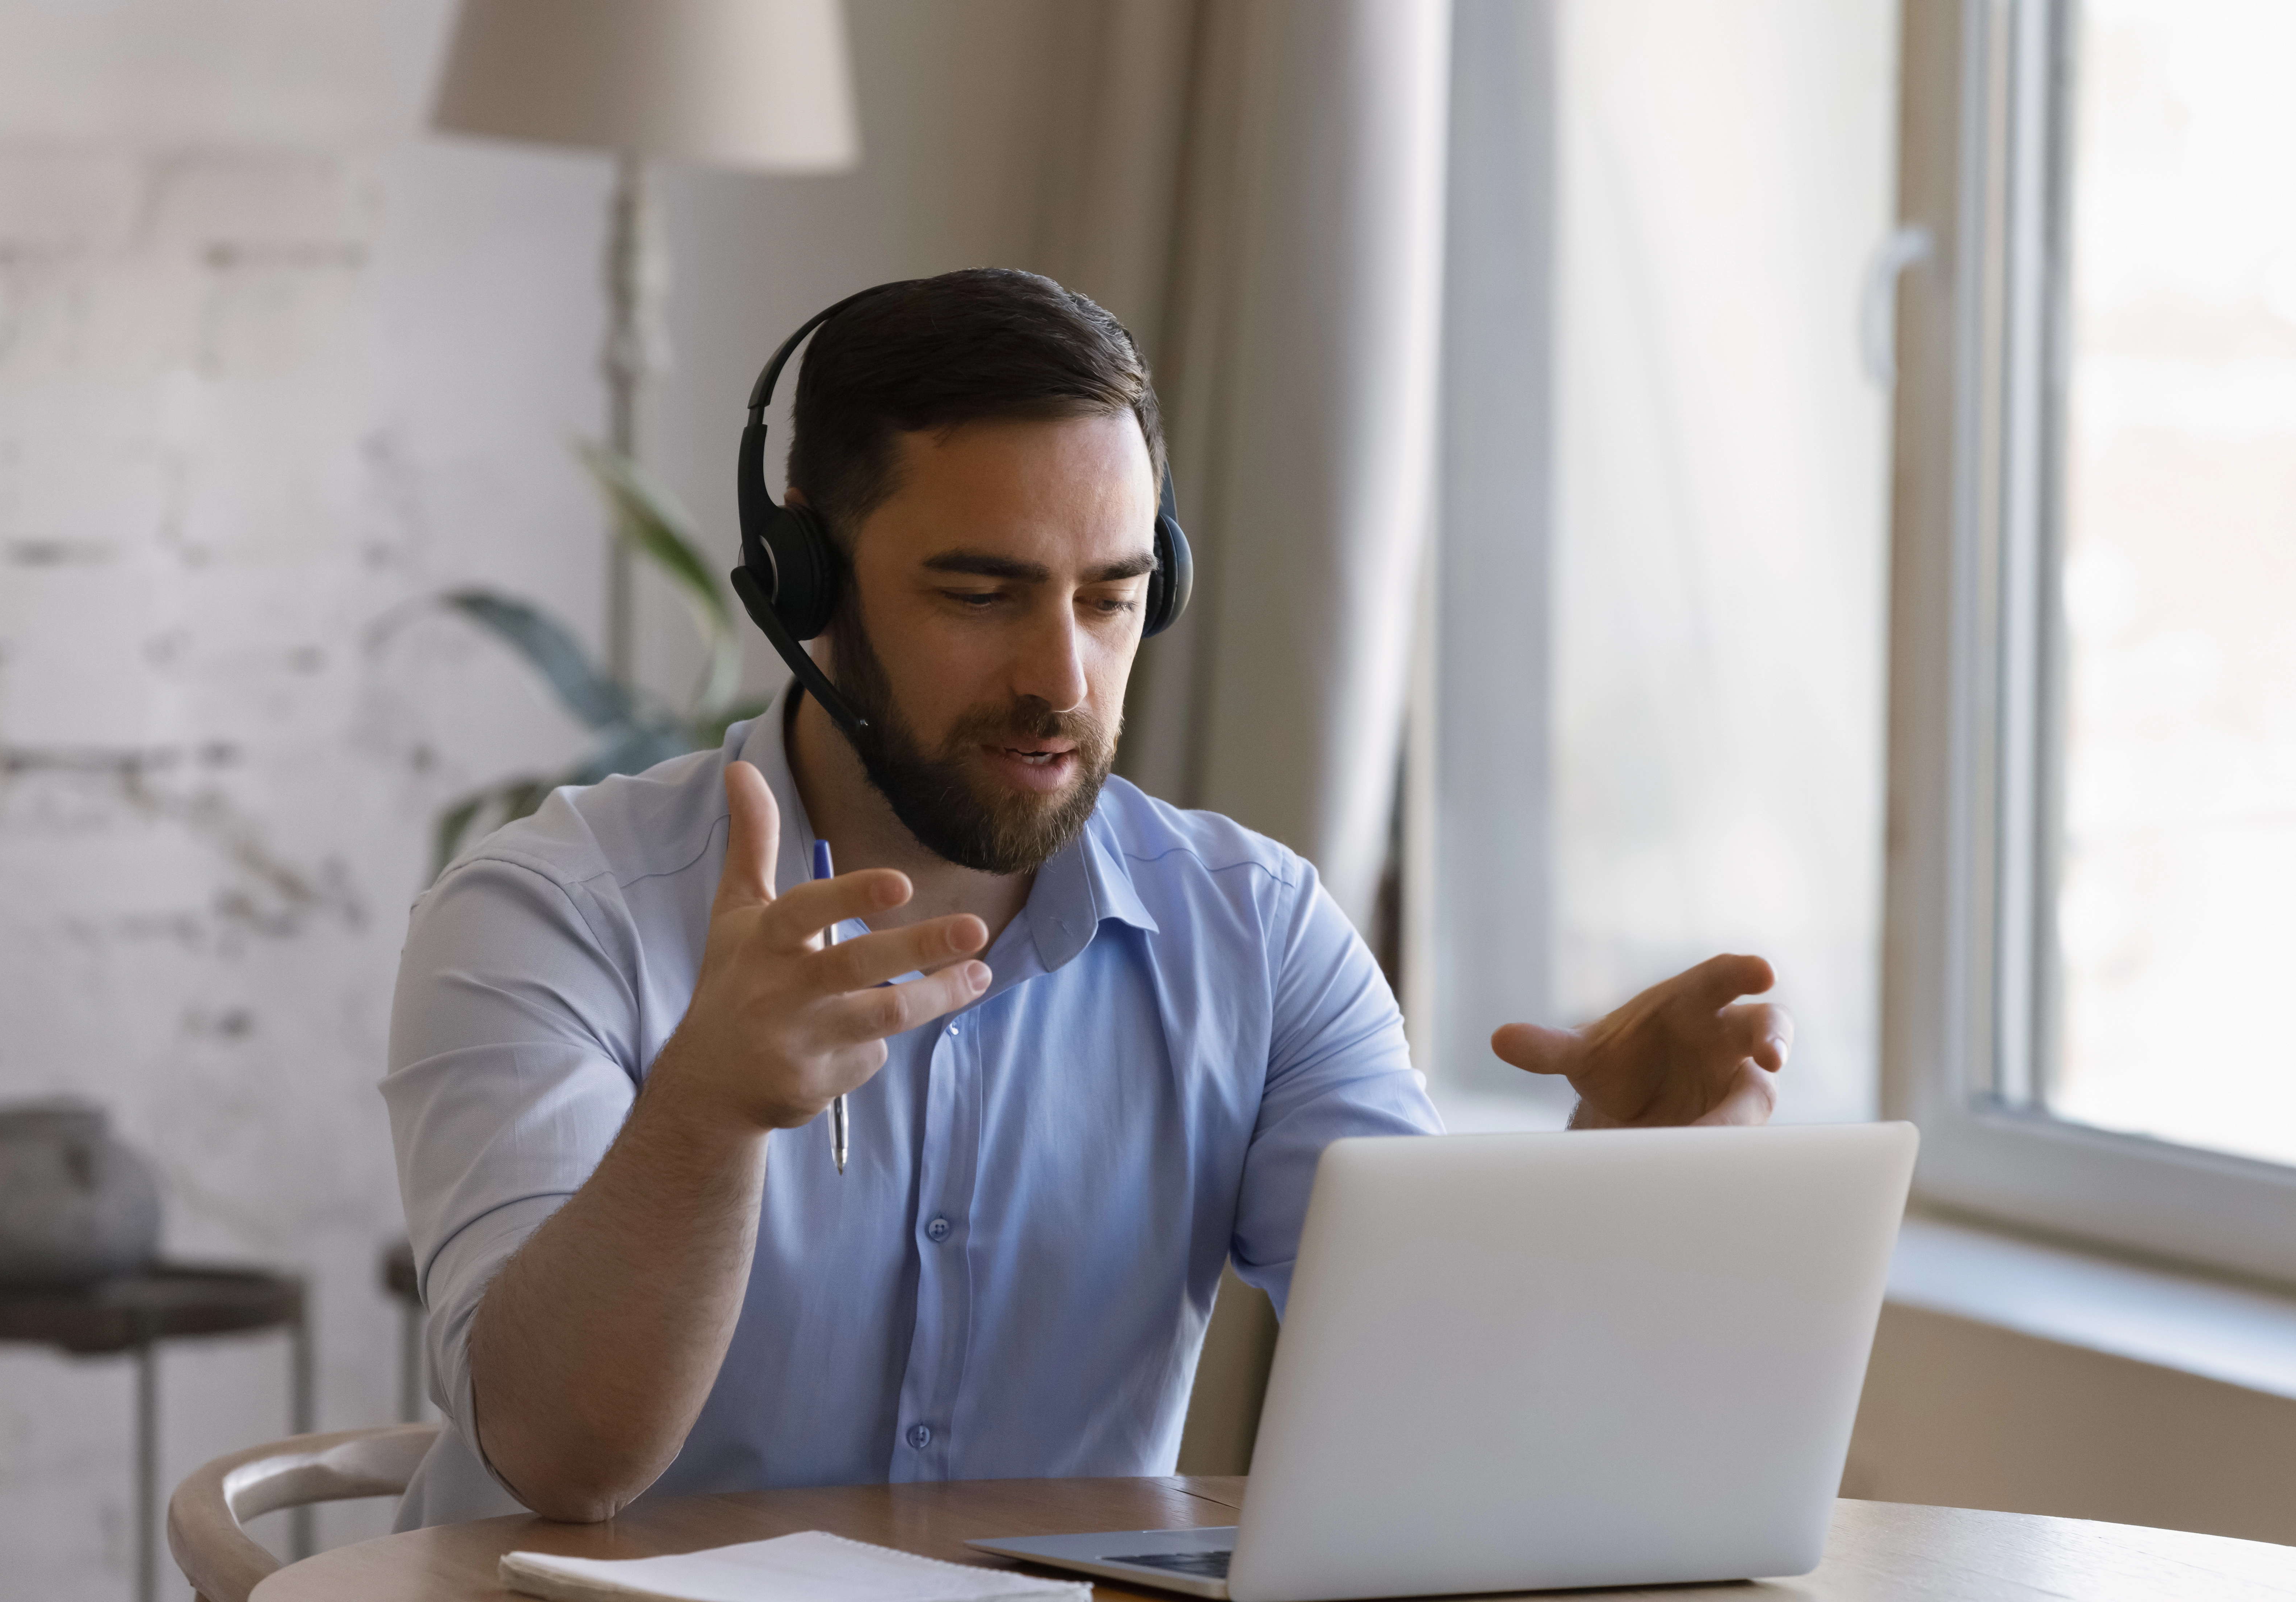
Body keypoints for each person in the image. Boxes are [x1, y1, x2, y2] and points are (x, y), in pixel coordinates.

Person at [382, 268, 1791, 1529]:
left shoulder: (1259, 933)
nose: (1062, 677)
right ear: (804, 575)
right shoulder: (551, 915)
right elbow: (562, 1457)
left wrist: (1620, 1185)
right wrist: (703, 1113)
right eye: (980, 593)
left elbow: (1441, 1412)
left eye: (1112, 596)